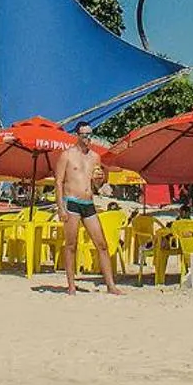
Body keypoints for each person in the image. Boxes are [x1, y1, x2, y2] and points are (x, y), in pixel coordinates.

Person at [51, 122, 122, 296]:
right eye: (84, 134)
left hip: (88, 202)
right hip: (71, 201)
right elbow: (58, 182)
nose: (87, 138)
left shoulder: (95, 157)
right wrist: (60, 207)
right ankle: (71, 285)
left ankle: (110, 285)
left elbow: (96, 184)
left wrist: (100, 180)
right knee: (71, 245)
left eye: (90, 134)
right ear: (77, 135)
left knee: (102, 244)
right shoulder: (66, 155)